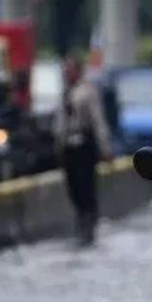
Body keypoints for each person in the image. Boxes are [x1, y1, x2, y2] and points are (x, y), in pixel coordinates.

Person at [53, 56, 113, 246]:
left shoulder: (87, 92)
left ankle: (89, 223)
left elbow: (98, 120)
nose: (66, 73)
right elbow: (59, 121)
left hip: (84, 144)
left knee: (85, 183)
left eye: (70, 69)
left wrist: (104, 147)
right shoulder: (65, 93)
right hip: (68, 145)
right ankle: (80, 218)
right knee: (73, 186)